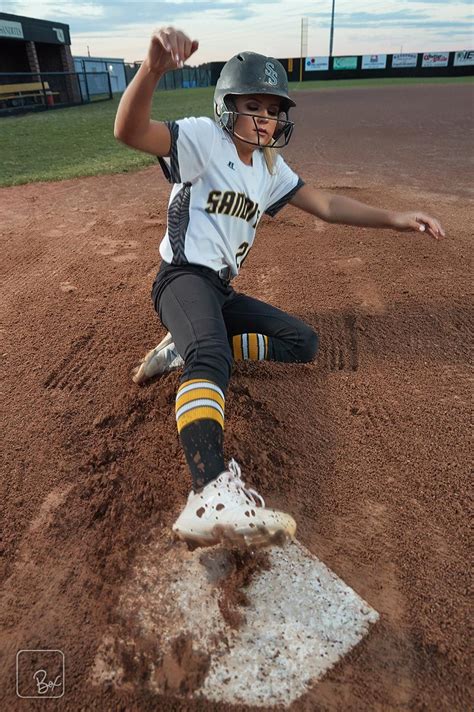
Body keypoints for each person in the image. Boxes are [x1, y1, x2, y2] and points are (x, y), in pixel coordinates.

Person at [114, 27, 445, 549]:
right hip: (180, 279)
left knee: (302, 342)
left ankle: (185, 346)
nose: (266, 118)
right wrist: (152, 70)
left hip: (218, 291)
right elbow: (130, 132)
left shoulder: (268, 168)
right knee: (211, 355)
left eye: (273, 109)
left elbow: (329, 206)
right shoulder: (205, 139)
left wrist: (396, 218)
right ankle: (209, 491)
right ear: (227, 107)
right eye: (254, 106)